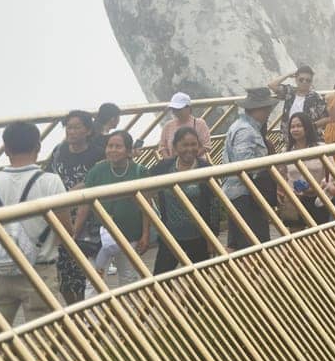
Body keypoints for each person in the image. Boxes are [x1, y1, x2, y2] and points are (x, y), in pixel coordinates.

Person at [0, 121, 65, 325]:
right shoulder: (50, 181)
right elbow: (65, 228)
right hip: (40, 270)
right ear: (38, 147)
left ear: (5, 149)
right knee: (43, 337)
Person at [77, 131, 151, 298]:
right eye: (110, 146)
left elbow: (147, 207)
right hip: (101, 238)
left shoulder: (139, 171)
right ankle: (93, 322)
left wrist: (145, 235)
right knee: (95, 279)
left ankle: (130, 319)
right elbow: (85, 205)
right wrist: (75, 233)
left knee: (129, 280)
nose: (112, 150)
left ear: (129, 151)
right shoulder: (97, 171)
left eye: (118, 146)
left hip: (130, 235)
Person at [45, 109, 104, 303]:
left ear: (88, 130)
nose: (71, 131)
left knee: (84, 272)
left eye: (77, 127)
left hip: (88, 219)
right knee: (63, 271)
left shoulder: (97, 154)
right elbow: (47, 175)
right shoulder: (58, 151)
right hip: (60, 216)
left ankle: (85, 316)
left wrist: (76, 190)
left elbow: (97, 180)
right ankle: (74, 312)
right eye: (68, 127)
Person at [150, 126, 216, 275]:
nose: (190, 149)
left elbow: (213, 205)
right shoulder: (165, 167)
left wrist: (211, 239)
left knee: (201, 281)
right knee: (160, 279)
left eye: (194, 144)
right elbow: (144, 186)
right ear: (175, 147)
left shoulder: (205, 168)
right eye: (185, 145)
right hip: (170, 236)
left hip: (198, 236)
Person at [223, 87, 278, 249]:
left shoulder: (243, 126)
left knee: (239, 245)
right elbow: (245, 165)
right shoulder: (246, 131)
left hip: (239, 193)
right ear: (259, 109)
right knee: (253, 246)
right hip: (246, 196)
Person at [281, 114, 335, 224]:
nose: (295, 129)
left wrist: (318, 187)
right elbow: (283, 175)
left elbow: (333, 172)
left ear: (307, 127)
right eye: (292, 126)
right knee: (296, 234)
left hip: (319, 197)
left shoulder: (320, 148)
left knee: (321, 232)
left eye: (299, 126)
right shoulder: (286, 151)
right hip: (296, 198)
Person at [157, 91, 212, 160]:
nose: (175, 112)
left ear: (189, 108)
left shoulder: (200, 124)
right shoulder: (168, 126)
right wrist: (169, 161)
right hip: (174, 166)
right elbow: (162, 147)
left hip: (196, 163)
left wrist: (189, 158)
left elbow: (206, 146)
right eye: (174, 109)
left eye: (179, 109)